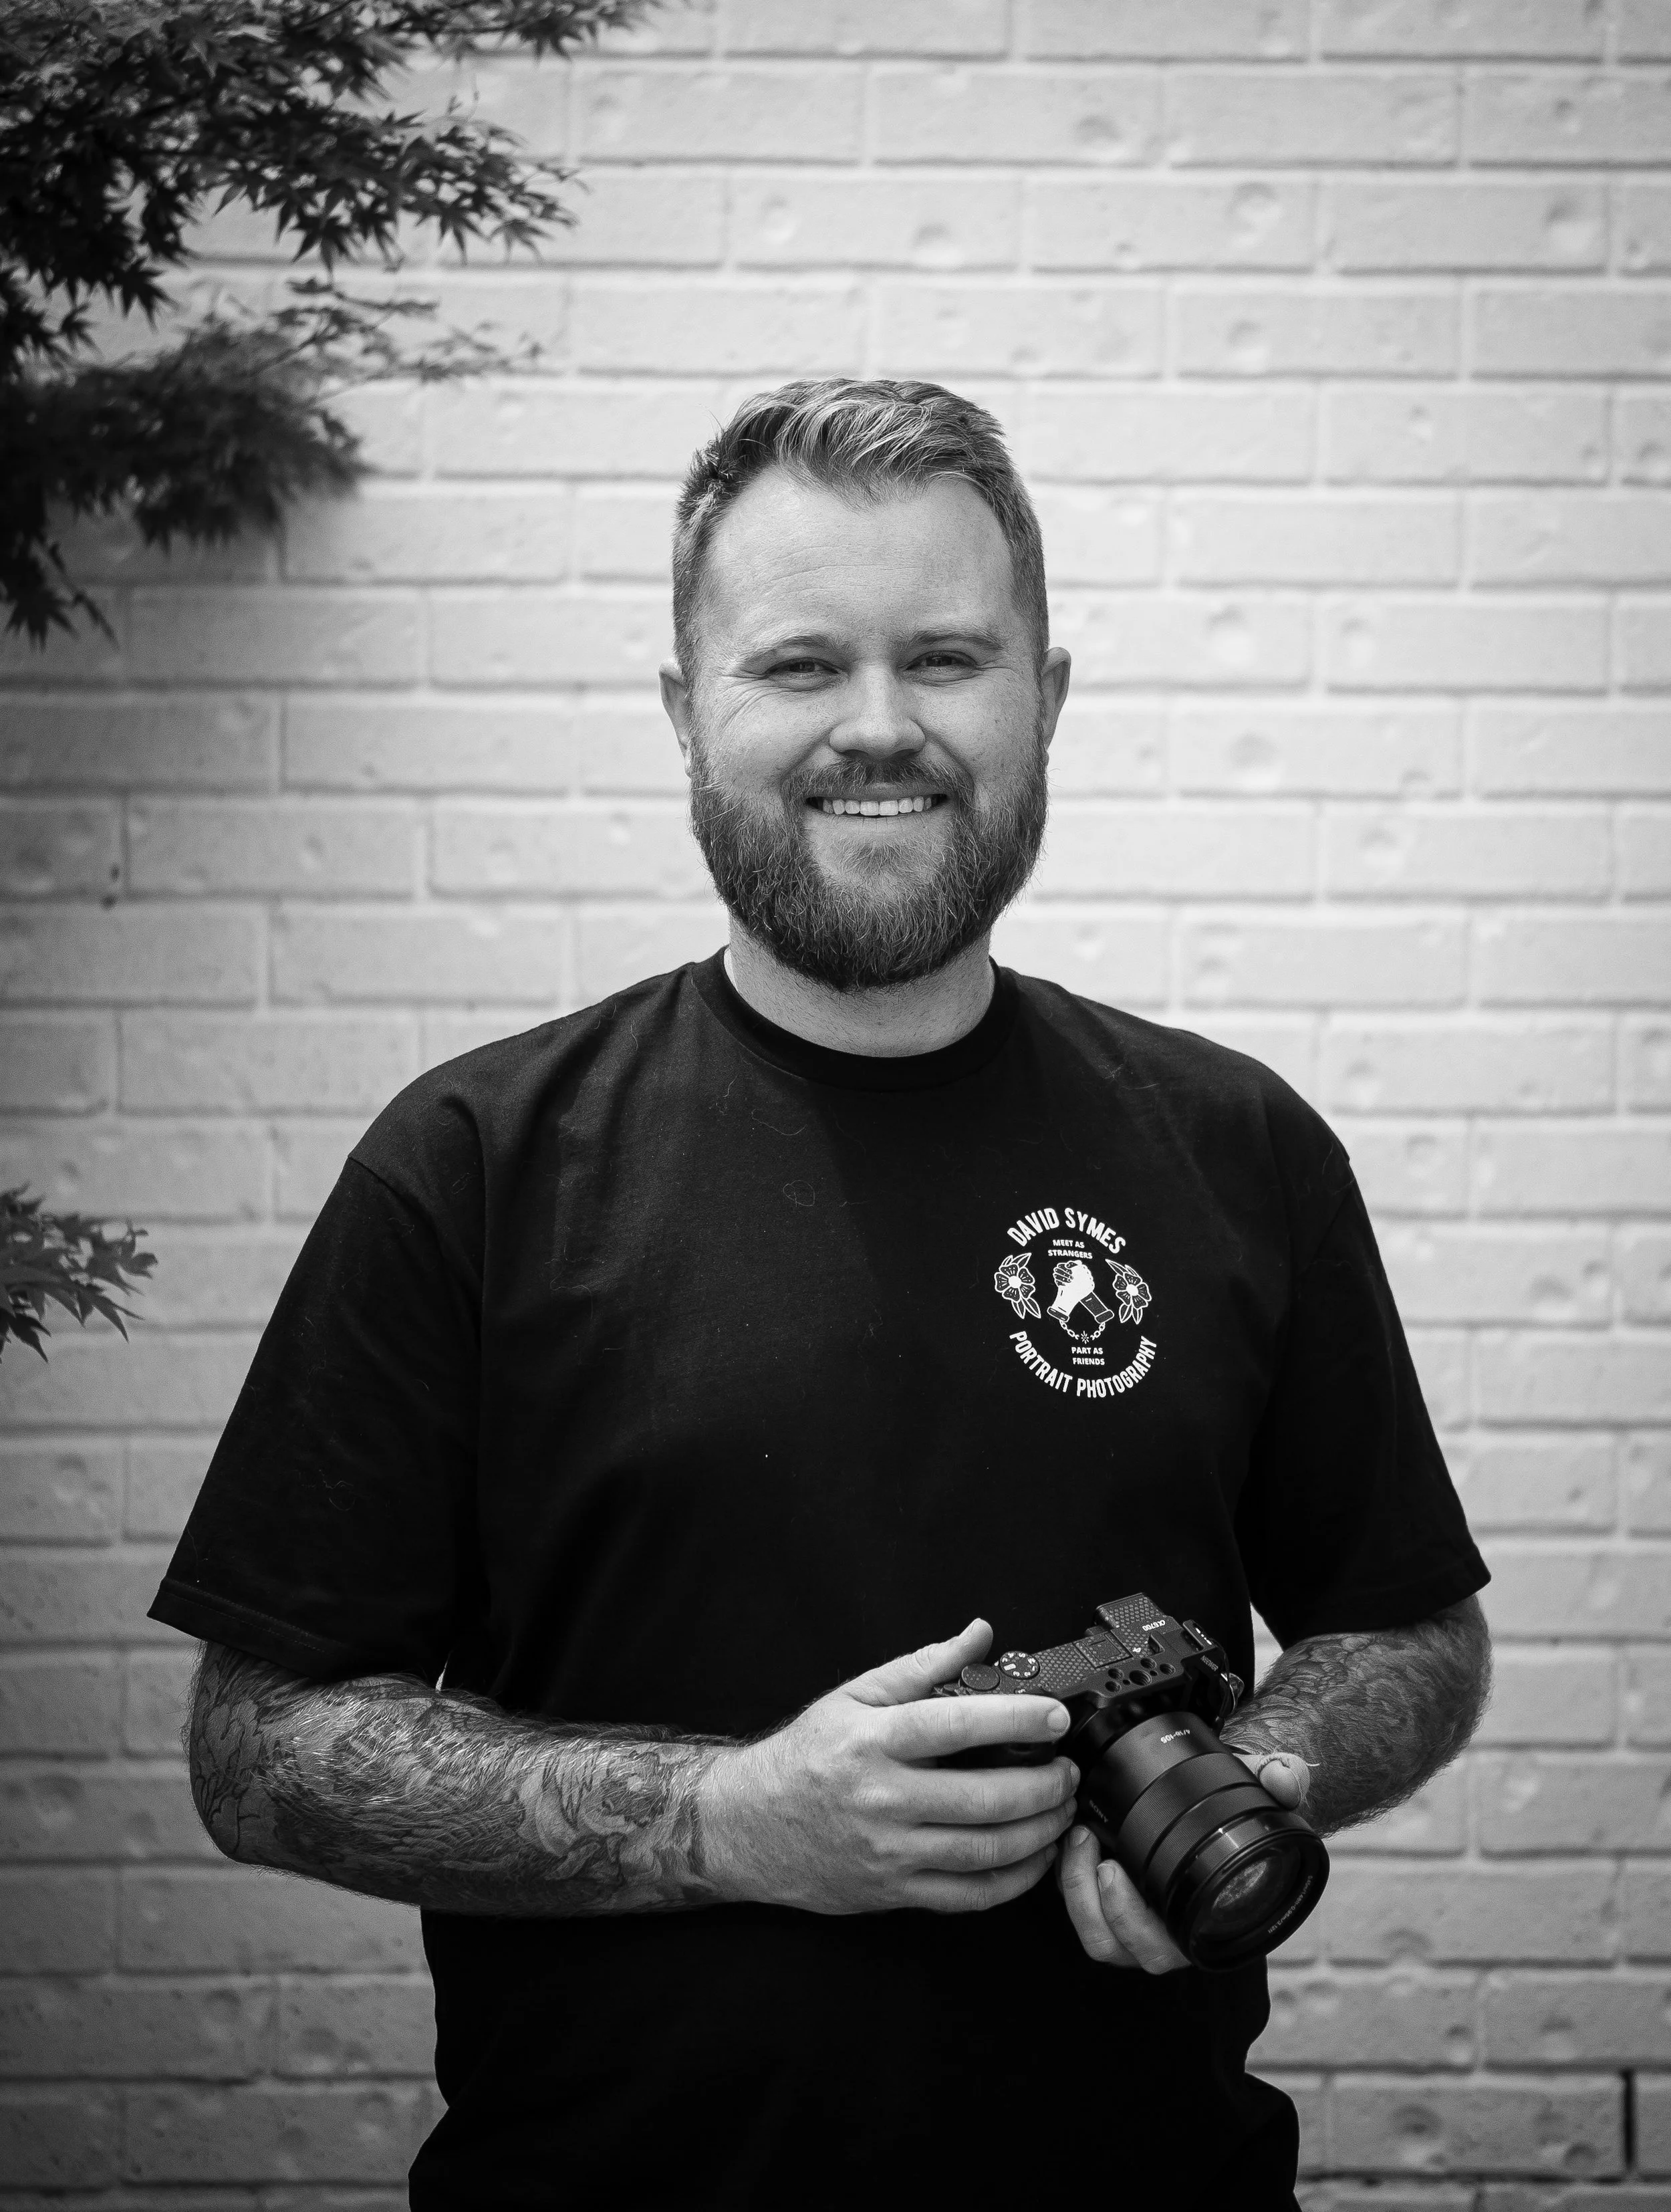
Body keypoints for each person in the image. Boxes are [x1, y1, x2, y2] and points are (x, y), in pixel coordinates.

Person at [152, 378, 1491, 2210]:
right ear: (683, 709)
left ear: (1048, 700)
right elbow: (256, 1743)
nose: (879, 728)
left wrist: (1244, 1774)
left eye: (945, 656)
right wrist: (729, 1820)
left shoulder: (1237, 1145)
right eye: (797, 664)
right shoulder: (471, 1161)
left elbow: (1409, 1629)